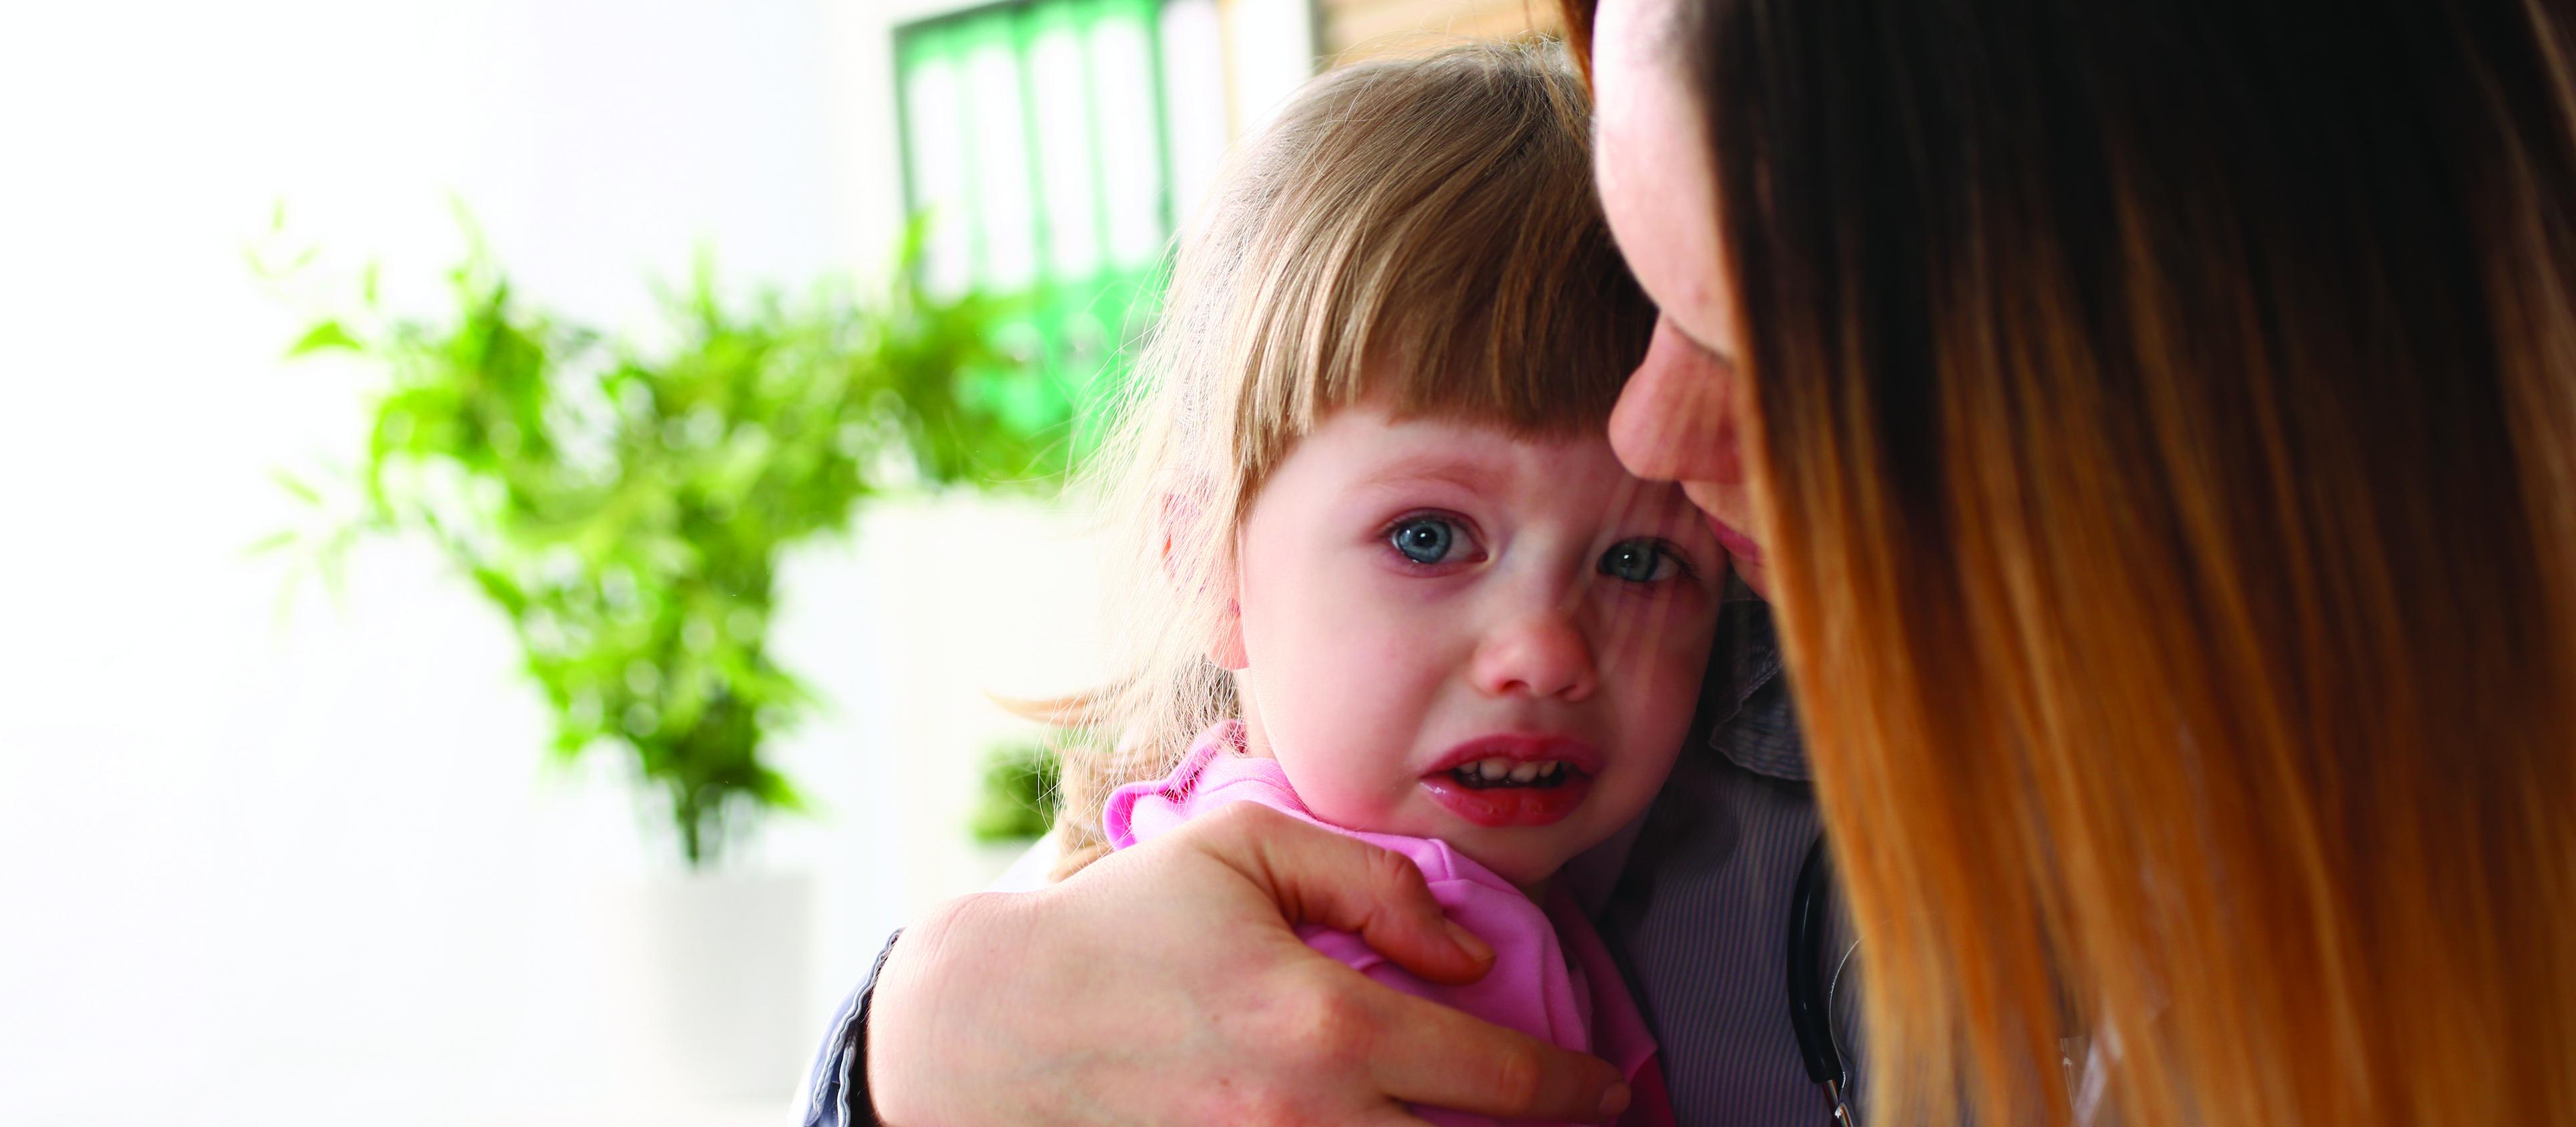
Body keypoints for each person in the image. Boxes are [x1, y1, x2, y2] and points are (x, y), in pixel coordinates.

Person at [818, 0, 2576, 1122]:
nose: (1660, 444)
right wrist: (904, 1059)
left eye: (1763, 332)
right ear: (1204, 557)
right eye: (1428, 536)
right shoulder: (1228, 926)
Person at [1032, 42, 1724, 1125]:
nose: (1545, 651)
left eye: (1637, 560)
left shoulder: (1509, 900)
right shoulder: (1294, 976)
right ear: (1209, 560)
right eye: (1430, 538)